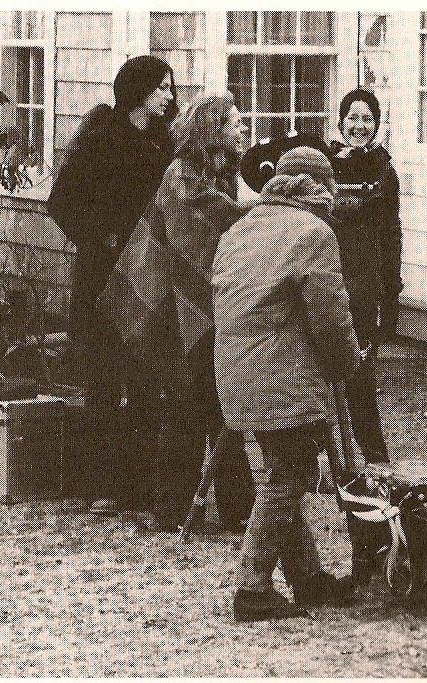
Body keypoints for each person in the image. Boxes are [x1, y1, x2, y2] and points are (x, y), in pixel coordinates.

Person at [212, 146, 361, 622]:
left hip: (236, 374)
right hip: (281, 379)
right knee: (290, 476)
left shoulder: (242, 226)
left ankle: (308, 578)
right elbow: (330, 318)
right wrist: (350, 361)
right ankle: (252, 589)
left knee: (281, 474)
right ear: (323, 188)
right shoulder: (315, 234)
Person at [98, 93, 255, 532]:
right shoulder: (183, 176)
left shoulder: (220, 173)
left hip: (201, 309)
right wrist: (266, 205)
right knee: (190, 406)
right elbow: (197, 244)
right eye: (235, 122)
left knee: (219, 403)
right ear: (213, 130)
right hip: (170, 308)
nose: (243, 129)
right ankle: (176, 507)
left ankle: (235, 505)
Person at [47, 56, 177, 515]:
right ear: (139, 92)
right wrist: (102, 237)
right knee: (103, 383)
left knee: (144, 383)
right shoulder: (101, 141)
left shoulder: (164, 148)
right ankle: (97, 484)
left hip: (146, 281)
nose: (169, 96)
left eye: (170, 88)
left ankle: (138, 486)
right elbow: (60, 202)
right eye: (161, 88)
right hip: (102, 281)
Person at [329, 89, 403, 466]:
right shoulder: (323, 166)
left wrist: (390, 296)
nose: (359, 126)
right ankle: (322, 466)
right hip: (323, 284)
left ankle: (376, 463)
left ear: (376, 126)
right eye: (352, 118)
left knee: (359, 378)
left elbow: (392, 237)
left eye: (367, 119)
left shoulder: (384, 172)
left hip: (362, 288)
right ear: (340, 122)